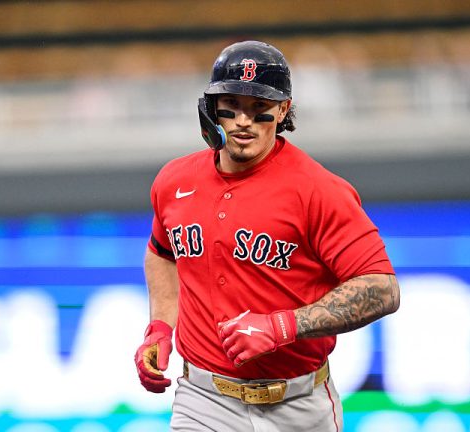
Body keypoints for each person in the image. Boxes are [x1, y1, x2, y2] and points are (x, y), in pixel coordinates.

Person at [134, 40, 400, 431]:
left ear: (284, 110)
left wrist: (283, 326)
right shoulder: (175, 181)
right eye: (233, 106)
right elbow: (162, 252)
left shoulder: (317, 190)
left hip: (298, 405)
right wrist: (160, 326)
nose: (244, 120)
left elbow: (382, 289)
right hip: (204, 399)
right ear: (212, 108)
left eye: (259, 109)